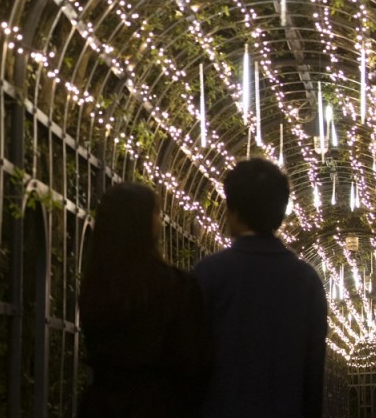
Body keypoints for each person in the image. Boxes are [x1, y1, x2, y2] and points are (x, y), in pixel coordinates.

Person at [193, 158, 328, 418]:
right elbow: (313, 376)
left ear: (232, 209)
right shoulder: (306, 280)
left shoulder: (209, 274)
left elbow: (192, 363)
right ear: (280, 211)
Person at [77, 182, 204, 417]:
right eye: (156, 212)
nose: (161, 221)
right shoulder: (174, 286)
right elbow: (192, 362)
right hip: (158, 406)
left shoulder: (96, 284)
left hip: (103, 406)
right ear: (141, 222)